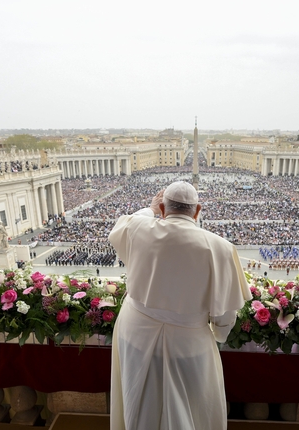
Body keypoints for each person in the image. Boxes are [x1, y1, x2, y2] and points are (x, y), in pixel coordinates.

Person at [108, 181, 250, 429]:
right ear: (197, 211)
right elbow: (225, 314)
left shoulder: (139, 227)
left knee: (138, 403)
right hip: (188, 341)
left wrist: (151, 210)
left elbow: (122, 225)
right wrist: (219, 334)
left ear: (162, 208)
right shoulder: (221, 248)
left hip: (135, 332)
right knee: (190, 408)